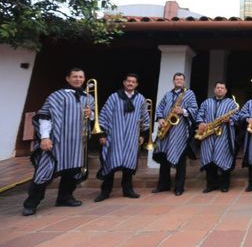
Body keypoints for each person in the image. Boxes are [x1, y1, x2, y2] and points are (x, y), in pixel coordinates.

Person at [22, 68, 93, 216]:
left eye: (81, 77)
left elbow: (91, 120)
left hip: (76, 143)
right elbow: (44, 116)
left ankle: (65, 198)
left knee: (72, 171)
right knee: (44, 171)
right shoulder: (56, 95)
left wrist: (91, 114)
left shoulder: (88, 98)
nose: (78, 79)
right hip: (57, 141)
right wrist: (45, 137)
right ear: (67, 78)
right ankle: (31, 203)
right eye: (74, 76)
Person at [94, 73, 149, 202]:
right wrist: (102, 134)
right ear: (124, 83)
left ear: (136, 84)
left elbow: (145, 117)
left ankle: (128, 190)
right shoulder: (114, 97)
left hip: (131, 136)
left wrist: (143, 134)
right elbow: (104, 115)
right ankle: (105, 191)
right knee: (110, 162)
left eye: (133, 82)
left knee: (129, 164)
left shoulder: (141, 98)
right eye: (128, 81)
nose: (130, 83)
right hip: (114, 135)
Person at [152, 72, 198, 196]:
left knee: (181, 160)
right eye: (176, 79)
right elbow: (159, 108)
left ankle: (179, 187)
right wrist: (160, 118)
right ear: (173, 81)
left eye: (181, 79)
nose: (178, 81)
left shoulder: (189, 93)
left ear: (184, 81)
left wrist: (182, 111)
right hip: (166, 131)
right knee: (163, 158)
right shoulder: (167, 94)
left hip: (180, 131)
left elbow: (195, 109)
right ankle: (163, 185)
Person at [196, 81, 239, 193]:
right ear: (214, 89)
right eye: (218, 88)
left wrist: (230, 120)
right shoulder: (206, 102)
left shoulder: (231, 103)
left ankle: (224, 185)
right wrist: (201, 123)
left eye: (222, 88)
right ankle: (211, 185)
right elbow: (200, 114)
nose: (220, 89)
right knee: (209, 159)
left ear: (225, 91)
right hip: (208, 135)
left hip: (224, 135)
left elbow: (237, 117)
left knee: (224, 158)